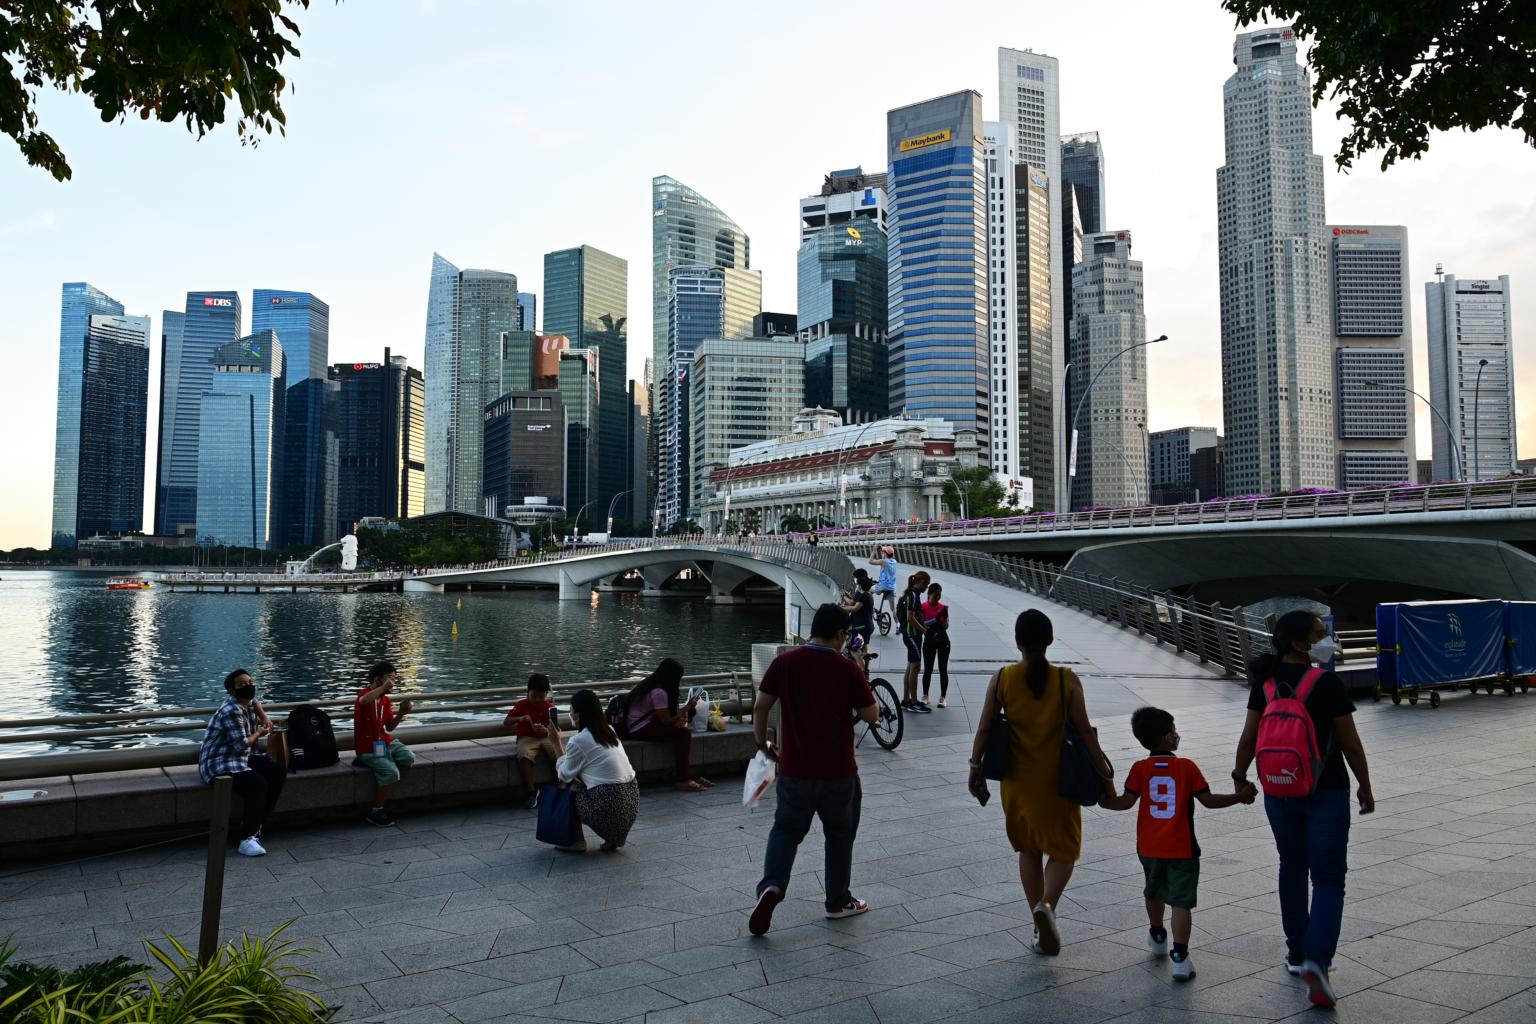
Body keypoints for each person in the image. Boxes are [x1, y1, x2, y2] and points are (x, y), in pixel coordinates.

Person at [1232, 610, 1375, 1010]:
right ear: (1300, 643)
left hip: (1280, 791)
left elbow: (1248, 738)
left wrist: (1240, 776)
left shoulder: (1265, 682)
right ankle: (1318, 959)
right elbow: (1350, 742)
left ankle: (1296, 954)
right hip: (1326, 790)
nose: (1327, 639)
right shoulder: (1326, 683)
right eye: (1320, 634)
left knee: (1291, 867)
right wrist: (1365, 784)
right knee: (1328, 878)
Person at [966, 609, 1113, 956]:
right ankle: (1046, 907)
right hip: (1059, 781)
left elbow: (985, 728)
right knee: (1064, 851)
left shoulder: (1002, 678)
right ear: (1049, 640)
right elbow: (1085, 733)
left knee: (1027, 849)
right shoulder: (1066, 680)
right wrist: (1106, 776)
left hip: (1017, 783)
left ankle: (1038, 925)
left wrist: (975, 767)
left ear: (1017, 641)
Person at [749, 603, 879, 935]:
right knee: (839, 836)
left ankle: (771, 887)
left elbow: (761, 706)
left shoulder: (784, 662)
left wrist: (763, 742)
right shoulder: (846, 669)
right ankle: (838, 901)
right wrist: (860, 668)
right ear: (840, 634)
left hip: (794, 770)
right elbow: (872, 715)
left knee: (785, 831)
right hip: (839, 773)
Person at [1100, 707, 1256, 981]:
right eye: (1172, 730)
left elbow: (1124, 802)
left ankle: (1157, 933)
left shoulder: (1140, 769)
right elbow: (1208, 800)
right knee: (1181, 901)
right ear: (1164, 737)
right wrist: (1239, 797)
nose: (1176, 735)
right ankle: (1181, 958)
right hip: (1182, 847)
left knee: (1153, 891)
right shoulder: (1187, 767)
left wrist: (1103, 796)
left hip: (1148, 846)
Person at [198, 668, 287, 857]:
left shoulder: (246, 702)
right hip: (220, 762)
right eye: (242, 685)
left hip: (240, 758)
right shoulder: (231, 711)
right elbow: (241, 745)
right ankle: (246, 840)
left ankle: (256, 826)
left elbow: (254, 701)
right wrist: (260, 733)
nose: (248, 686)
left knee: (276, 771)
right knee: (257, 784)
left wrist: (263, 715)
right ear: (232, 691)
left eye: (250, 682)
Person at [555, 689, 640, 853]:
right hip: (631, 803)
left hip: (608, 807)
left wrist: (556, 742)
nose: (570, 713)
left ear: (579, 714)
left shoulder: (578, 741)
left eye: (572, 710)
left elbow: (564, 775)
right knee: (591, 778)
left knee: (568, 786)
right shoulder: (609, 730)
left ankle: (576, 841)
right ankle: (612, 837)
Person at [625, 658, 712, 791]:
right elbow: (666, 721)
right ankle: (683, 779)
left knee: (680, 729)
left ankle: (689, 775)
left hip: (638, 724)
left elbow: (664, 718)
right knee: (684, 734)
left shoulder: (651, 683)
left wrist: (676, 721)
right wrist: (687, 707)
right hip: (638, 728)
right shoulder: (659, 692)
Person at [354, 661, 416, 827]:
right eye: (389, 678)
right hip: (367, 746)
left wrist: (402, 712)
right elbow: (364, 701)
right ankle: (376, 811)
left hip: (384, 742)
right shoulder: (365, 694)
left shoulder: (386, 701)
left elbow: (390, 727)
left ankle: (382, 760)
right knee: (392, 774)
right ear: (377, 678)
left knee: (408, 757)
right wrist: (382, 688)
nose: (392, 682)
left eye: (394, 679)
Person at [504, 673, 562, 810]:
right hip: (526, 738)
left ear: (546, 694)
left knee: (558, 754)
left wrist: (545, 731)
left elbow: (556, 729)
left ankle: (560, 784)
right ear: (527, 692)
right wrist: (520, 719)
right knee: (524, 754)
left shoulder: (549, 707)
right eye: (534, 695)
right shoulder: (521, 705)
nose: (537, 700)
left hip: (545, 736)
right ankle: (531, 791)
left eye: (541, 697)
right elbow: (506, 722)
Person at [896, 572, 931, 712]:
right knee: (915, 667)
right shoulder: (914, 595)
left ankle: (906, 700)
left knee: (910, 666)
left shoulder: (909, 594)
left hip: (909, 635)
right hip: (912, 635)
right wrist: (925, 631)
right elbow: (910, 618)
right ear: (920, 581)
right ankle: (914, 702)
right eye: (926, 584)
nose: (926, 587)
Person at [921, 581, 951, 708]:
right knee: (928, 669)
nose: (937, 598)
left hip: (943, 640)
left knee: (943, 669)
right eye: (935, 595)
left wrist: (943, 617)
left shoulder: (942, 607)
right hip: (929, 641)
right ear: (929, 594)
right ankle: (925, 695)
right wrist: (936, 619)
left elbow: (946, 626)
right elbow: (922, 624)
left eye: (939, 595)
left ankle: (943, 697)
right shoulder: (923, 607)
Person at [868, 545, 898, 618]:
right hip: (892, 587)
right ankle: (898, 625)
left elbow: (870, 561)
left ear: (885, 554)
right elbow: (884, 566)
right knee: (893, 608)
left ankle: (871, 609)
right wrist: (882, 549)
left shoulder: (883, 562)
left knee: (869, 590)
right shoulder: (894, 562)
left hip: (883, 586)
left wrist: (874, 550)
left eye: (883, 552)